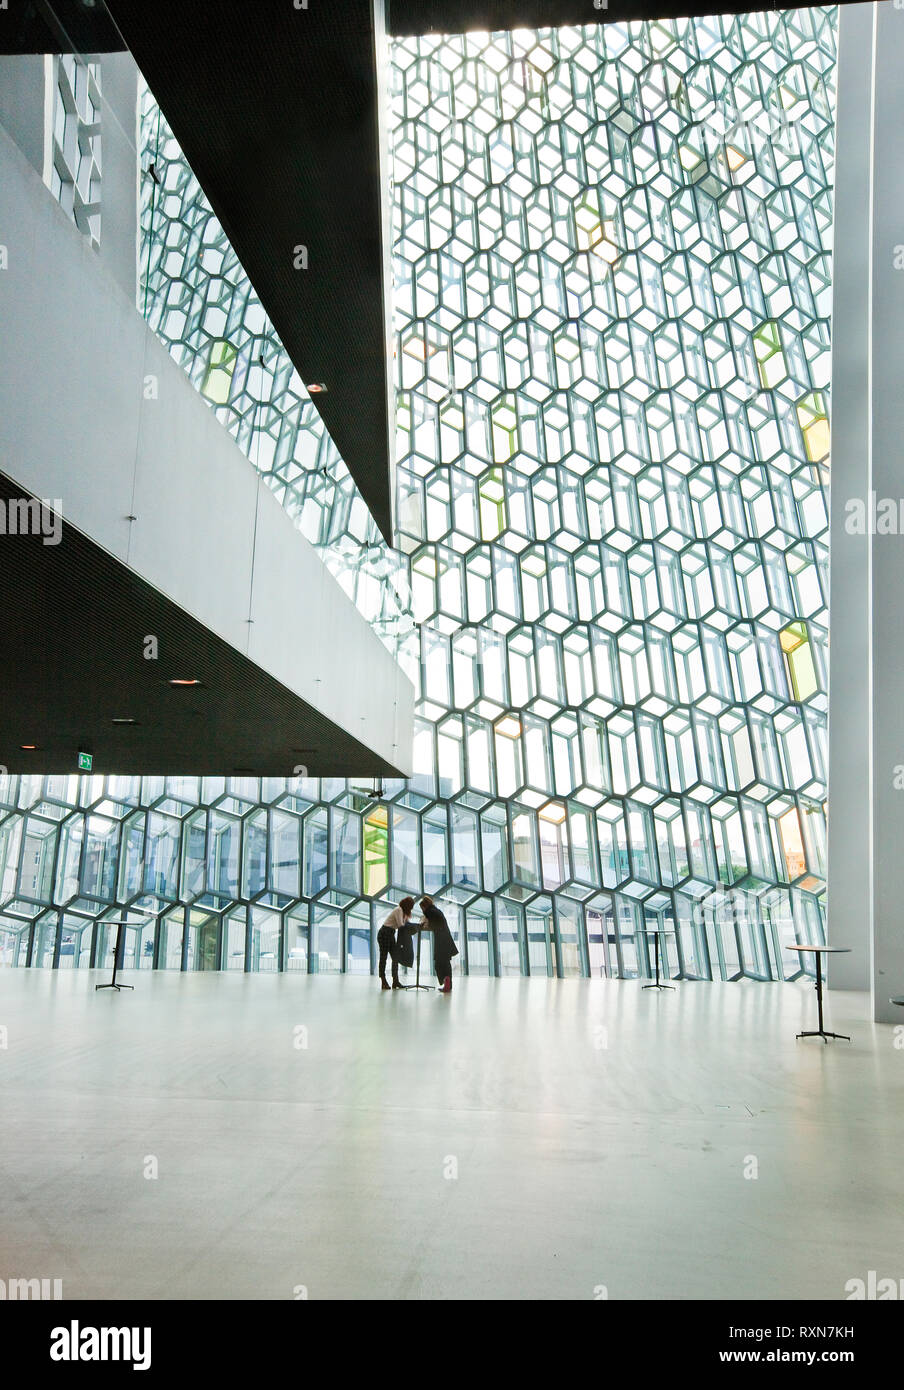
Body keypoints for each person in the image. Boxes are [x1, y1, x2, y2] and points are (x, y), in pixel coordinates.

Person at [415, 896, 459, 993]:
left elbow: (428, 922)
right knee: (445, 963)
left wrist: (423, 923)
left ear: (424, 906)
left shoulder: (429, 912)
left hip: (441, 941)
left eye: (422, 908)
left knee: (439, 964)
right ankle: (448, 984)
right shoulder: (436, 910)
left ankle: (446, 982)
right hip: (446, 939)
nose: (422, 910)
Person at [377, 897, 415, 990]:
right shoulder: (399, 910)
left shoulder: (403, 912)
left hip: (391, 933)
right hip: (385, 933)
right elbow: (400, 925)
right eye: (410, 907)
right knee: (383, 958)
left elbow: (405, 924)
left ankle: (395, 981)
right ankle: (383, 981)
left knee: (395, 958)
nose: (411, 909)